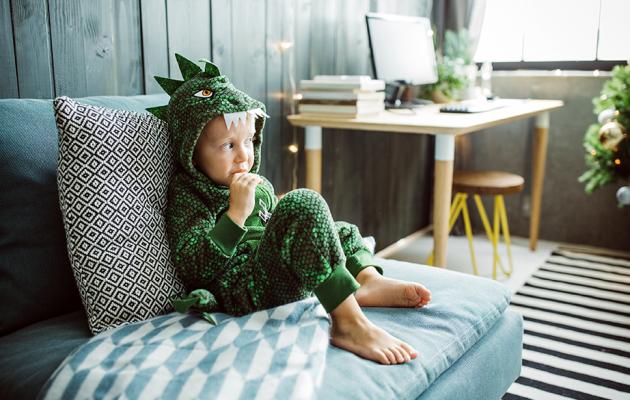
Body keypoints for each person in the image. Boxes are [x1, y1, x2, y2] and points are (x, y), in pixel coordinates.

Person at [148, 54, 432, 365]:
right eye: (228, 146)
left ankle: (364, 280)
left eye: (248, 141)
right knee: (305, 202)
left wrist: (284, 216)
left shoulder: (257, 183)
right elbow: (194, 266)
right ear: (191, 150)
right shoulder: (190, 193)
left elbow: (269, 223)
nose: (243, 156)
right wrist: (235, 216)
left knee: (339, 230)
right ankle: (349, 323)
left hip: (273, 263)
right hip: (245, 287)